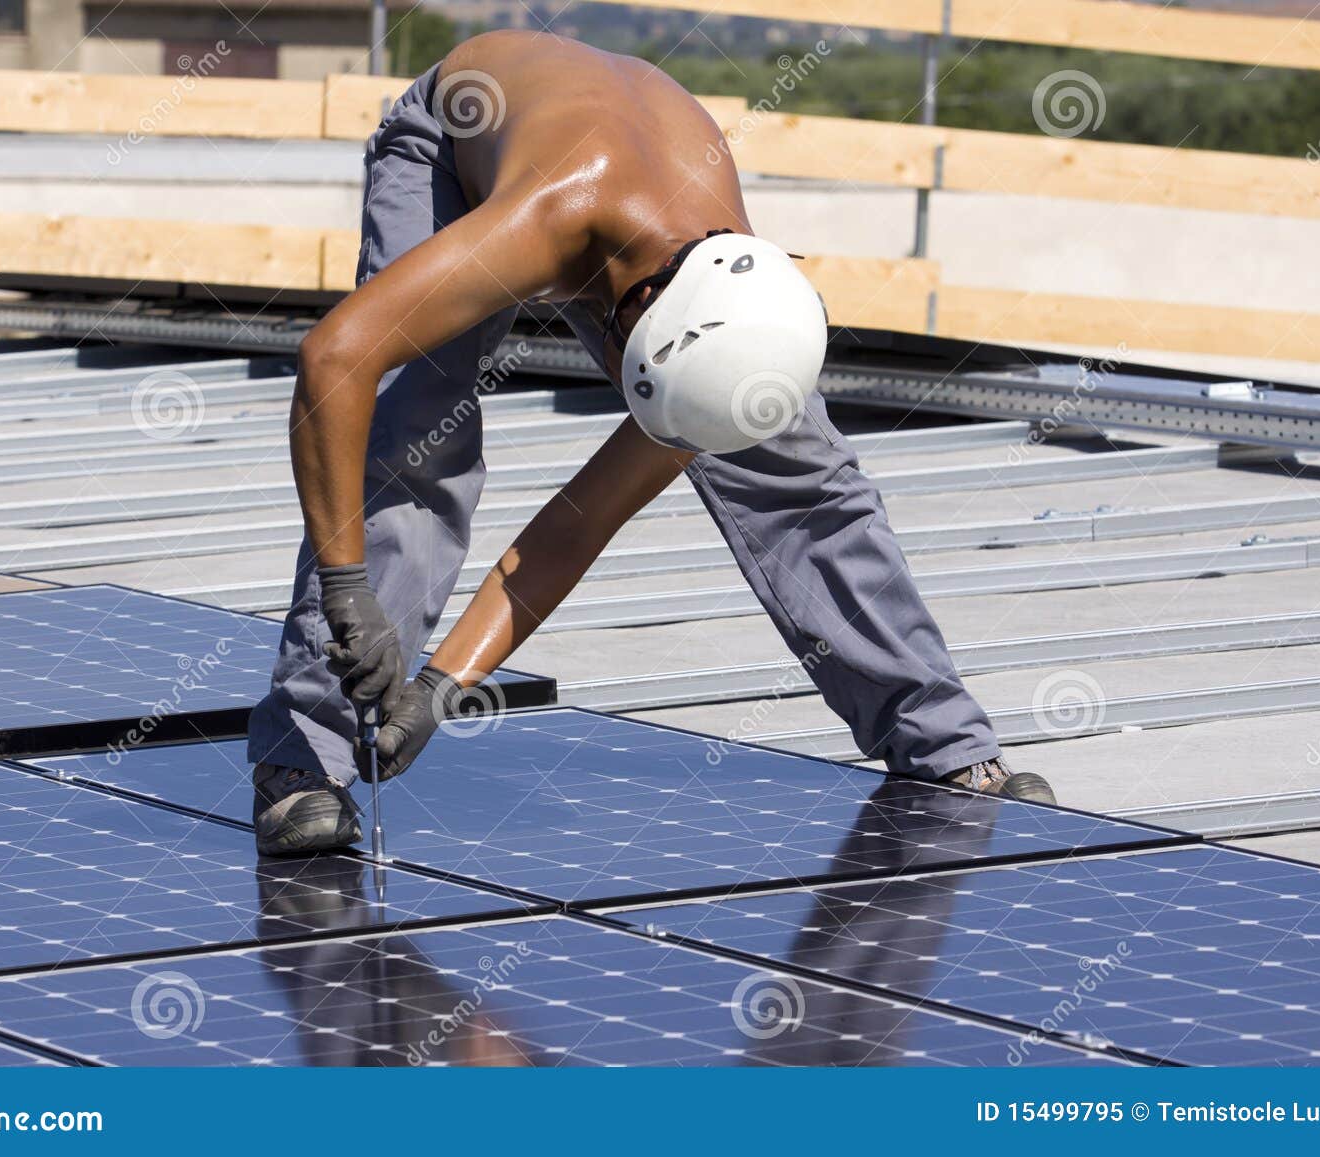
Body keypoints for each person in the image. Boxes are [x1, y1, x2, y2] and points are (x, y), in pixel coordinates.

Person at [247, 31, 1053, 857]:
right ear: (631, 320)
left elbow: (580, 521)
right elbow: (333, 356)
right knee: (418, 424)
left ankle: (944, 744)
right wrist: (349, 589)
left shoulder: (738, 301)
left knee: (802, 473)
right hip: (461, 135)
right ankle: (303, 759)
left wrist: (442, 687)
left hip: (644, 187)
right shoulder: (550, 216)